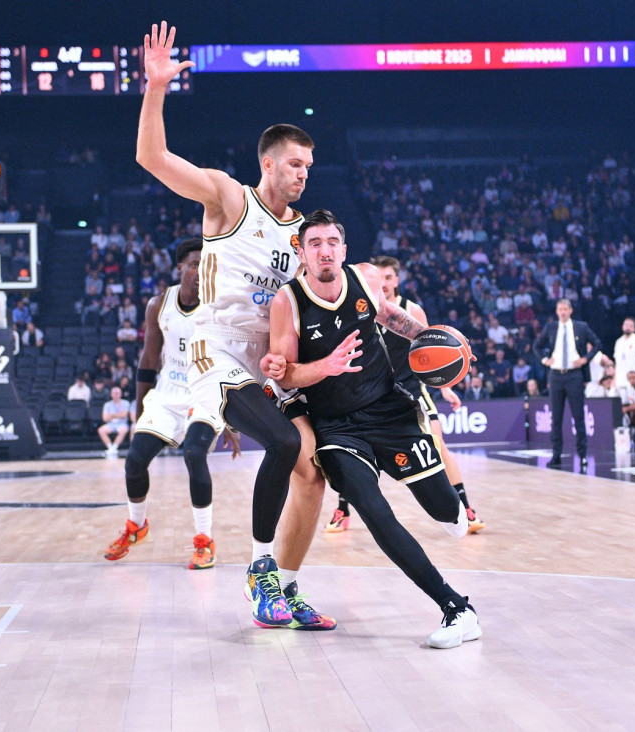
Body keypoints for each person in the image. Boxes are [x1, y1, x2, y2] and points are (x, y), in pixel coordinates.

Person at [136, 21, 328, 629]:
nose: (302, 174)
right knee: (287, 443)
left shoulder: (303, 234)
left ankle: (289, 587)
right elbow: (151, 157)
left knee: (312, 472)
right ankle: (261, 572)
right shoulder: (228, 198)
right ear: (268, 163)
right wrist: (156, 88)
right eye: (294, 164)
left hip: (270, 364)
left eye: (308, 166)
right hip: (215, 357)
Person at [262, 210, 480, 649]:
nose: (324, 250)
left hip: (390, 412)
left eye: (332, 242)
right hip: (337, 428)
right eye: (315, 243)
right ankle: (457, 608)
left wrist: (446, 347)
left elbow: (395, 320)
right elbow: (285, 374)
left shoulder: (363, 279)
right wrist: (323, 367)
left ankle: (455, 511)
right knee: (375, 512)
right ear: (300, 252)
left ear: (343, 250)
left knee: (444, 511)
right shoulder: (288, 301)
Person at [104, 240, 241, 571]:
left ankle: (204, 541)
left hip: (205, 393)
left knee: (194, 454)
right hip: (167, 394)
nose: (199, 271)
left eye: (206, 266)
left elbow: (236, 360)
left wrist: (234, 418)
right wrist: (140, 413)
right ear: (179, 267)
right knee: (134, 461)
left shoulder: (219, 306)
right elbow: (149, 359)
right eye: (194, 264)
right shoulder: (159, 304)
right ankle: (137, 526)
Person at [325, 255, 485, 535]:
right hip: (375, 387)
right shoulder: (362, 305)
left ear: (397, 280)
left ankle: (464, 506)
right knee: (355, 449)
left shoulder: (413, 310)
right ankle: (343, 509)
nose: (384, 283)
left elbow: (432, 352)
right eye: (380, 277)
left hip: (411, 386)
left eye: (389, 278)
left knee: (437, 443)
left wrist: (445, 388)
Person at [532, 298, 612, 471]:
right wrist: (545, 360)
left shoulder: (581, 327)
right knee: (556, 418)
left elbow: (597, 343)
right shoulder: (551, 327)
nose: (562, 312)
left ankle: (582, 455)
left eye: (565, 309)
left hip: (574, 375)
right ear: (556, 311)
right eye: (559, 309)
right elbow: (536, 346)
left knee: (579, 417)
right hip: (556, 375)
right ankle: (556, 455)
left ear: (570, 311)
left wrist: (585, 359)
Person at [97, 386, 132, 456]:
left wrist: (112, 415)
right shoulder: (107, 405)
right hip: (111, 424)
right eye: (114, 393)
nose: (116, 395)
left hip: (122, 423)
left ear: (121, 394)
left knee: (123, 430)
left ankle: (115, 447)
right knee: (101, 430)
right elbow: (105, 418)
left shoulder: (126, 403)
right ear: (111, 394)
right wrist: (119, 415)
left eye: (117, 393)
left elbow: (124, 415)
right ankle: (111, 448)